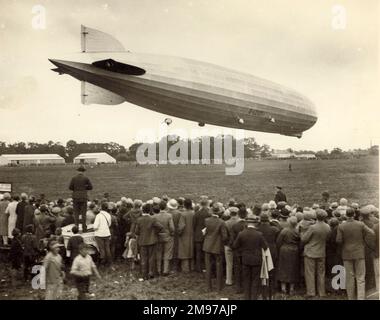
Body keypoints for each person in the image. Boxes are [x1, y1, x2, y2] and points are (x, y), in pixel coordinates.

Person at [336, 208, 375, 300]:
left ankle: (351, 298)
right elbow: (372, 233)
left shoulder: (341, 226)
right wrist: (363, 241)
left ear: (346, 215)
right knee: (360, 277)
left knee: (350, 278)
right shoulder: (360, 224)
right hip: (359, 253)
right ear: (354, 215)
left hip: (347, 254)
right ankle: (360, 298)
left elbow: (338, 240)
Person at [233, 216, 268, 300]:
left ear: (246, 223)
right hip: (256, 259)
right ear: (255, 224)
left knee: (246, 279)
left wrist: (242, 251)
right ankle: (254, 297)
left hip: (245, 259)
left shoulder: (241, 234)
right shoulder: (259, 234)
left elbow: (235, 246)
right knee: (255, 279)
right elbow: (265, 246)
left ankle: (247, 297)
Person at [301, 209, 331, 298]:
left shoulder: (312, 227)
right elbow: (328, 239)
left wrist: (302, 233)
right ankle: (322, 292)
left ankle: (311, 292)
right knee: (321, 273)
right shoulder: (327, 227)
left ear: (316, 217)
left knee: (310, 273)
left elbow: (304, 239)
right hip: (321, 251)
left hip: (311, 252)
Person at [203, 204, 228, 292]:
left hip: (207, 246)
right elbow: (225, 237)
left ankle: (208, 287)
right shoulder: (221, 222)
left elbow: (206, 232)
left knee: (208, 266)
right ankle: (218, 287)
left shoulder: (207, 220)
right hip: (217, 246)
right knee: (219, 266)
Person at [135, 203, 163, 279]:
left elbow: (136, 232)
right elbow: (160, 227)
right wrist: (155, 233)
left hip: (142, 241)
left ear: (143, 210)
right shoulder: (152, 219)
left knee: (143, 258)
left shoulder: (139, 220)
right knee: (151, 257)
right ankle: (151, 272)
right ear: (150, 210)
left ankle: (144, 274)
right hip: (152, 241)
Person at [257, 212, 280, 299]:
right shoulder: (274, 229)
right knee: (272, 271)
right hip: (272, 251)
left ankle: (262, 290)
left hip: (261, 251)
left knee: (261, 271)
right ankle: (272, 290)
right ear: (268, 220)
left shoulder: (257, 229)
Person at [276, 216, 300, 295]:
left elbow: (278, 241)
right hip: (294, 250)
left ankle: (283, 288)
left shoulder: (284, 231)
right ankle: (291, 288)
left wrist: (280, 248)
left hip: (285, 250)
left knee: (283, 268)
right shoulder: (297, 231)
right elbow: (300, 241)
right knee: (293, 268)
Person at [69, 166, 93, 232]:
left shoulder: (74, 178)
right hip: (83, 197)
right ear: (83, 171)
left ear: (78, 171)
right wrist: (85, 188)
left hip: (76, 197)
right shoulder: (86, 178)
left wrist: (76, 189)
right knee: (83, 213)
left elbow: (70, 187)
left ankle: (76, 227)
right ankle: (84, 228)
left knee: (76, 213)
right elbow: (91, 187)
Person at [230, 207, 248, 293]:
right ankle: (245, 286)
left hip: (237, 251)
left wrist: (233, 247)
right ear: (246, 215)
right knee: (246, 269)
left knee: (237, 269)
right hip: (246, 251)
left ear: (238, 215)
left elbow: (232, 240)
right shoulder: (248, 226)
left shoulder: (235, 226)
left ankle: (238, 287)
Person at [154, 204, 174, 276]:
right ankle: (165, 270)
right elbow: (171, 227)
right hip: (167, 236)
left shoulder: (155, 216)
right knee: (167, 253)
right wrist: (172, 233)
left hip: (158, 236)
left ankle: (158, 269)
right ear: (165, 207)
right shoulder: (169, 216)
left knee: (158, 253)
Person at [193, 196, 211, 272]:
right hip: (206, 235)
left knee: (198, 252)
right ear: (207, 204)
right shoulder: (209, 214)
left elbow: (193, 225)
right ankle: (205, 267)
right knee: (206, 253)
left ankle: (198, 267)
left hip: (198, 235)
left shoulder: (196, 214)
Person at [224, 206, 240, 286]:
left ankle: (229, 280)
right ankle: (238, 280)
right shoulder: (239, 222)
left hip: (228, 245)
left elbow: (225, 236)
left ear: (230, 214)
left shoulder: (226, 223)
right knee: (238, 263)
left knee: (229, 263)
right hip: (237, 245)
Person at [93, 202, 112, 266]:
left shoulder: (98, 216)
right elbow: (109, 224)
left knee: (101, 249)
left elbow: (95, 227)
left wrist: (94, 228)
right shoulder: (108, 215)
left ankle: (102, 262)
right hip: (107, 233)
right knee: (107, 248)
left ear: (101, 208)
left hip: (99, 234)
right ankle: (109, 262)